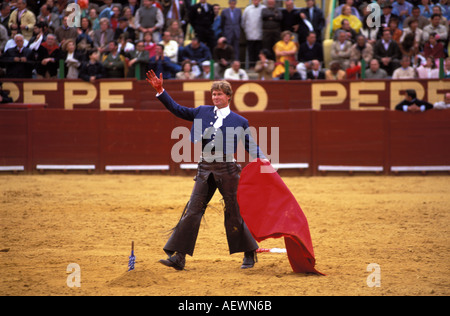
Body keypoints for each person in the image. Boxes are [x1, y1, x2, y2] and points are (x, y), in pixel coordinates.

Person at [145, 70, 265, 271]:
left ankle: (249, 253)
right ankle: (179, 257)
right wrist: (161, 91)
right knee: (192, 211)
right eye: (213, 94)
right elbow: (177, 109)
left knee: (234, 212)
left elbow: (250, 145)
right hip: (205, 167)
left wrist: (265, 161)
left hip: (228, 169)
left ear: (228, 96)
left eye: (219, 94)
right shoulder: (202, 111)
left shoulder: (239, 121)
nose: (216, 97)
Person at [241, 0, 266, 68]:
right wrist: (247, 30)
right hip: (250, 34)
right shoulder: (247, 9)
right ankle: (251, 66)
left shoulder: (263, 8)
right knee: (251, 51)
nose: (256, 1)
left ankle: (258, 66)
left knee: (259, 51)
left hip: (260, 34)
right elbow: (243, 21)